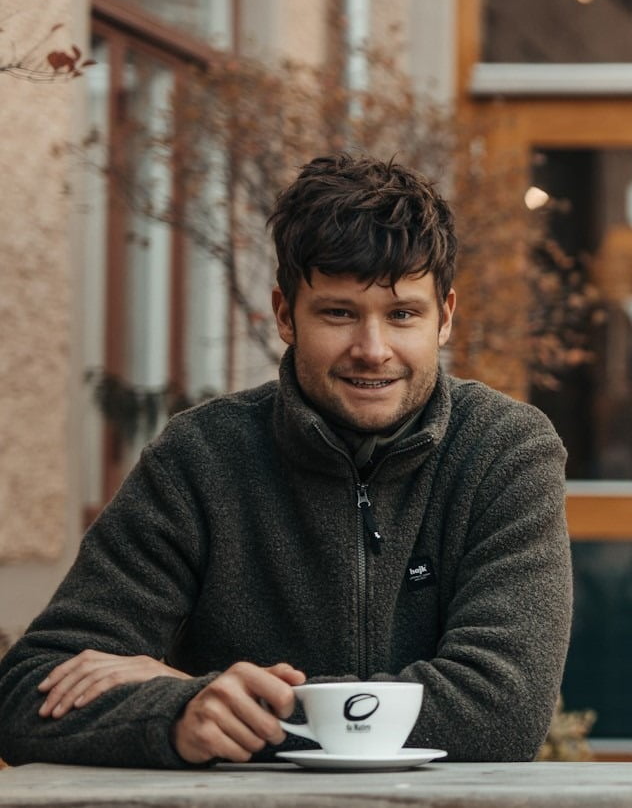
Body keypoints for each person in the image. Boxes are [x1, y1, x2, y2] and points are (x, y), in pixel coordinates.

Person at [0, 155, 572, 767]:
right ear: (284, 314)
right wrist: (175, 716)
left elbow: (499, 715)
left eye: (402, 314)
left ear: (445, 317)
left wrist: (197, 697)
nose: (372, 350)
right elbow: (25, 695)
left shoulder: (504, 450)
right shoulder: (201, 457)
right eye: (338, 313)